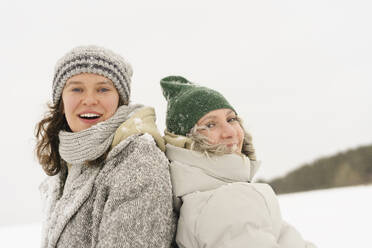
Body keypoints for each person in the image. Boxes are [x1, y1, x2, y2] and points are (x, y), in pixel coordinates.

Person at [35, 46, 176, 248]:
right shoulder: (68, 163)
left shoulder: (138, 159)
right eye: (77, 89)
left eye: (103, 89)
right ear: (61, 100)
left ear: (120, 99)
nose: (90, 99)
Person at [160, 76, 316, 248]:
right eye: (210, 125)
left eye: (231, 119)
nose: (230, 132)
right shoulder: (226, 202)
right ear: (185, 141)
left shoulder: (209, 196)